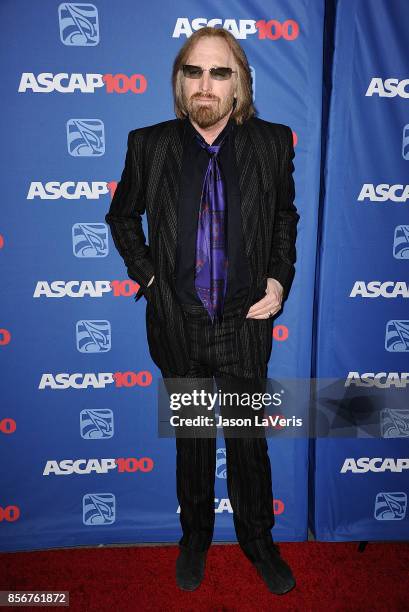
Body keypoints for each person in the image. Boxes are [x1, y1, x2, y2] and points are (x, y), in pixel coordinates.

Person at [105, 26, 299, 595]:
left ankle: (258, 541)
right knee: (192, 442)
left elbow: (285, 219)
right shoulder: (149, 144)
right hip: (178, 323)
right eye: (194, 72)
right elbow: (121, 217)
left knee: (246, 443)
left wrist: (279, 280)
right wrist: (148, 277)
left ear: (239, 83)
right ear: (179, 81)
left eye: (219, 72)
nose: (205, 85)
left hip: (245, 322)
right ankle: (194, 538)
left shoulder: (271, 143)